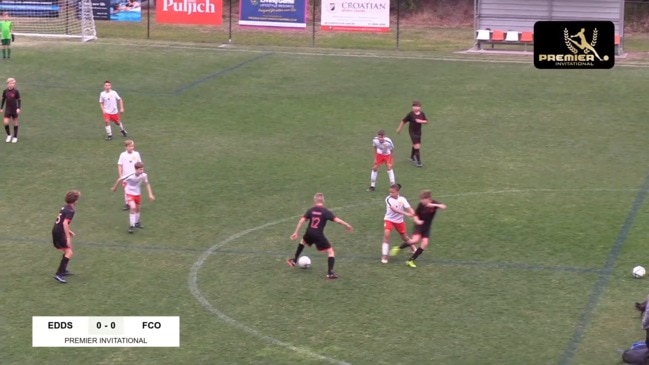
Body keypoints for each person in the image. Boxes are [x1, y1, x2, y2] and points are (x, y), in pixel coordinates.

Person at [287, 193, 353, 279]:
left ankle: (294, 260)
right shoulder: (325, 211)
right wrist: (347, 225)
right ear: (323, 200)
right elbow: (337, 221)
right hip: (318, 235)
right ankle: (330, 273)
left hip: (309, 233)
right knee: (331, 252)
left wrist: (296, 232)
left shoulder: (310, 210)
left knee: (302, 241)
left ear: (315, 200)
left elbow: (301, 221)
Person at [390, 190, 446, 268]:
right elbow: (416, 215)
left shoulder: (434, 203)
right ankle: (398, 248)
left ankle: (410, 261)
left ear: (428, 199)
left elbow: (444, 207)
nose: (421, 201)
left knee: (424, 244)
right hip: (419, 226)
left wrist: (433, 205)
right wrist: (417, 221)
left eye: (423, 199)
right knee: (415, 241)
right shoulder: (421, 205)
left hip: (427, 227)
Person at [111, 161, 154, 233]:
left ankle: (137, 223)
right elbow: (119, 179)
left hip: (137, 194)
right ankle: (131, 226)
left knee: (138, 209)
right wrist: (114, 188)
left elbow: (147, 184)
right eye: (140, 169)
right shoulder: (130, 175)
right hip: (129, 193)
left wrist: (150, 194)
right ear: (136, 169)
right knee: (133, 207)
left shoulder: (144, 175)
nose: (142, 171)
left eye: (142, 169)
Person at [51, 190, 81, 284]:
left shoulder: (65, 207)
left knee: (66, 250)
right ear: (75, 201)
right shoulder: (71, 210)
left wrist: (69, 231)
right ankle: (59, 274)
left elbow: (60, 222)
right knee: (69, 252)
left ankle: (63, 270)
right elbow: (64, 223)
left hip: (55, 230)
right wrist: (68, 237)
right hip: (59, 232)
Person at [381, 183, 414, 264]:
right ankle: (385, 255)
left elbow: (409, 208)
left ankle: (413, 248)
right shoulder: (388, 199)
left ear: (397, 192)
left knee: (404, 237)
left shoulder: (402, 199)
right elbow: (394, 210)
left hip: (399, 221)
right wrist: (406, 214)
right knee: (386, 235)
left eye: (392, 192)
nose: (390, 194)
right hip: (389, 219)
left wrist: (413, 214)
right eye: (390, 192)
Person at [396, 100, 428, 168]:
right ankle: (419, 162)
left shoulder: (422, 114)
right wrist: (399, 129)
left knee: (416, 145)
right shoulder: (411, 114)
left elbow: (426, 121)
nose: (415, 108)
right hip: (412, 132)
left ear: (420, 107)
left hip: (418, 132)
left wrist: (420, 121)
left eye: (416, 106)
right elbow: (403, 121)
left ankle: (412, 157)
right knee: (417, 146)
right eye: (414, 106)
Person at [117, 139, 143, 210]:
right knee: (126, 189)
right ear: (126, 147)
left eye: (132, 146)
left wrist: (141, 173)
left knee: (135, 188)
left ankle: (135, 202)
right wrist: (120, 175)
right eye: (129, 146)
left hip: (135, 176)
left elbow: (140, 164)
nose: (131, 147)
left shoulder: (136, 154)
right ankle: (128, 203)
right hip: (126, 176)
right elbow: (120, 165)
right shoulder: (122, 155)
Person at [1, 77, 20, 143]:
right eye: (10, 83)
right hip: (8, 109)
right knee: (5, 122)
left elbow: (19, 100)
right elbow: (3, 100)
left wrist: (18, 108)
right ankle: (9, 135)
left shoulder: (16, 91)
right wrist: (1, 108)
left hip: (14, 109)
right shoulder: (5, 91)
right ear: (7, 84)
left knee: (15, 122)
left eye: (13, 83)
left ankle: (15, 137)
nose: (11, 84)